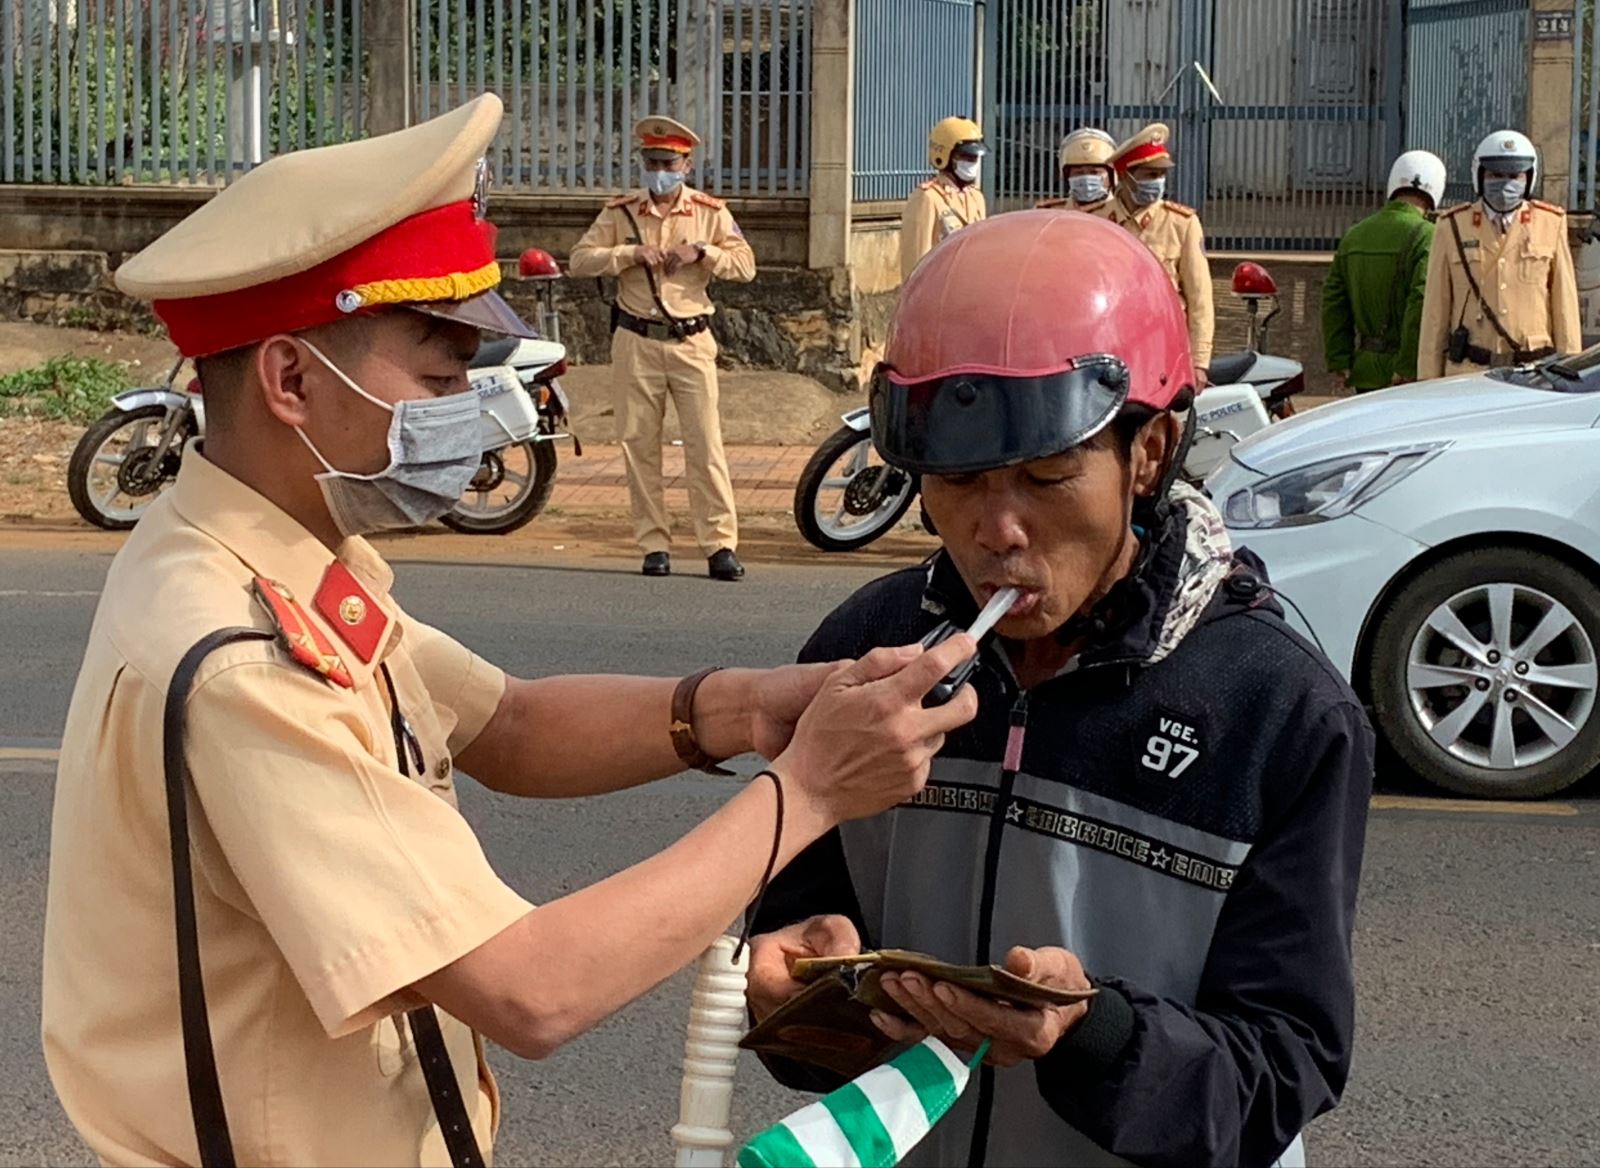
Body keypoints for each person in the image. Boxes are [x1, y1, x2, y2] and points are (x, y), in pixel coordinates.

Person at [41, 94, 980, 1167]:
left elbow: (511, 726)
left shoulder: (265, 554)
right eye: (439, 381)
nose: (474, 409)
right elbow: (530, 989)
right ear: (292, 378)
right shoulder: (243, 656)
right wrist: (810, 788)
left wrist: (751, 705)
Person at [746, 211, 1375, 1168]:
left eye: (1047, 476)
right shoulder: (866, 651)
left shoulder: (1279, 710)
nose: (997, 529)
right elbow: (798, 950)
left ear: (1151, 453)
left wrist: (1093, 1037)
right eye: (957, 481)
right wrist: (804, 993)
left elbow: (1284, 1068)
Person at [569, 116, 753, 580]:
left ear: (686, 164)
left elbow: (745, 264)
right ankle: (654, 544)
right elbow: (578, 259)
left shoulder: (710, 212)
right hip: (635, 339)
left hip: (691, 341)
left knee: (705, 445)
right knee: (639, 446)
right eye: (650, 162)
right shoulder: (621, 213)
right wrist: (628, 255)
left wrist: (703, 253)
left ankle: (719, 545)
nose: (658, 171)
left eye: (667, 162)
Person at [1418, 129, 1580, 379]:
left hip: (1533, 374)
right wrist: (1428, 382)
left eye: (1514, 175)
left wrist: (1569, 376)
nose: (1505, 183)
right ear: (1480, 176)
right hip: (1468, 372)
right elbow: (1434, 315)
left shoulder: (1551, 223)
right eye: (1495, 175)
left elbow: (1564, 309)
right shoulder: (1452, 226)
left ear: (1529, 178)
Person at [1321, 150, 1445, 392]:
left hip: (1364, 369)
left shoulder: (1354, 236)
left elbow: (1334, 302)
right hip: (1406, 373)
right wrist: (1409, 365)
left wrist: (1339, 360)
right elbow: (1420, 304)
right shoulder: (1429, 236)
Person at [1106, 123, 1215, 385]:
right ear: (1125, 176)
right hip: (1109, 346)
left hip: (1163, 347)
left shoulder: (1182, 223)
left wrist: (1199, 362)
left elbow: (1199, 298)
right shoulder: (1097, 219)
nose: (1157, 182)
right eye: (1149, 174)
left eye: (1161, 175)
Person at [900, 116, 988, 281]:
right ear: (945, 156)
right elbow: (917, 258)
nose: (972, 163)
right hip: (938, 288)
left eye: (975, 158)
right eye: (966, 157)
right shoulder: (927, 198)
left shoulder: (976, 197)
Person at [1035, 127, 1116, 215]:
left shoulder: (1125, 215)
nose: (1086, 178)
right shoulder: (1047, 213)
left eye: (1094, 172)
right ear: (1067, 176)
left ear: (1111, 176)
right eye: (1079, 173)